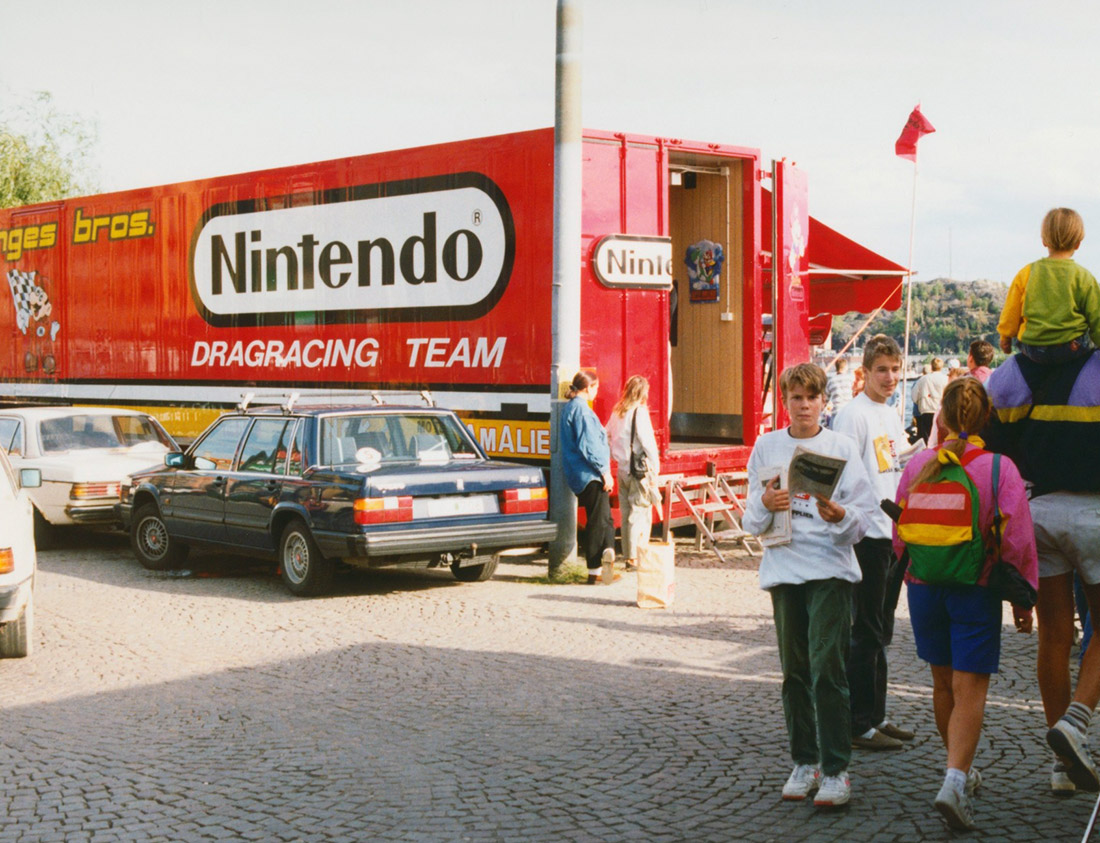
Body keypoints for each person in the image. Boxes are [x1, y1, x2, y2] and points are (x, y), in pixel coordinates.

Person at [893, 376, 1038, 830]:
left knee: (943, 685)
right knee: (969, 688)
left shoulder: (919, 465)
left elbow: (900, 533)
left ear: (940, 417)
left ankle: (959, 770)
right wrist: (1023, 600)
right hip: (976, 586)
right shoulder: (998, 469)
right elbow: (1017, 540)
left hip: (923, 586)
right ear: (985, 419)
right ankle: (955, 781)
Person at [742, 363, 878, 808]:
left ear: (824, 401)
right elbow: (750, 519)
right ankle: (805, 761)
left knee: (827, 669)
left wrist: (840, 516)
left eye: (811, 397)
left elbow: (864, 515)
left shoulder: (841, 446)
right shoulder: (767, 446)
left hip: (829, 569)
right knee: (795, 672)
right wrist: (765, 502)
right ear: (785, 401)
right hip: (784, 569)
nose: (804, 405)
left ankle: (836, 768)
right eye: (796, 397)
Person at [985, 349, 1100, 795]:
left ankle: (1062, 765)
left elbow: (995, 447)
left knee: (1053, 634)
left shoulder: (1011, 372)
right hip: (1093, 512)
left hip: (1038, 510)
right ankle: (1076, 721)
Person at [832, 335, 918, 751]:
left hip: (893, 533)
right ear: (864, 371)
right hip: (867, 534)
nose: (890, 377)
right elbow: (846, 476)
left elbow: (891, 465)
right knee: (865, 630)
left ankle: (877, 715)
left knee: (881, 630)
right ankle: (857, 722)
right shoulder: (853, 416)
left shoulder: (889, 412)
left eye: (895, 370)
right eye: (882, 370)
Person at [997, 207, 1100, 364]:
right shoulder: (1084, 276)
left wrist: (1005, 337)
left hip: (1033, 349)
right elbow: (1097, 318)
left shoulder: (1026, 273)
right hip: (1071, 348)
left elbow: (1011, 312)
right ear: (1078, 243)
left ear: (1044, 241)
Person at [559, 370, 617, 585]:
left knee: (605, 518)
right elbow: (590, 446)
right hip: (590, 474)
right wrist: (604, 471)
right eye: (596, 388)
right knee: (598, 521)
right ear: (587, 388)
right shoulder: (582, 410)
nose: (597, 392)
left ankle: (608, 552)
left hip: (579, 472)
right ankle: (594, 570)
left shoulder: (569, 408)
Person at [605, 375, 661, 571]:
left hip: (622, 469)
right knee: (639, 513)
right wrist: (655, 469)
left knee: (626, 513)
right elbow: (648, 444)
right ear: (643, 392)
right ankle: (634, 558)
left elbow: (606, 434)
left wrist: (615, 453)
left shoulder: (618, 411)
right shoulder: (640, 412)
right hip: (638, 472)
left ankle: (629, 555)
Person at [912, 357, 948, 443]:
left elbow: (914, 396)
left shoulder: (923, 379)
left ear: (931, 366)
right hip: (941, 412)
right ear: (942, 367)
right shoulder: (946, 379)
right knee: (940, 439)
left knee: (926, 439)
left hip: (926, 411)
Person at [824, 357, 855, 425]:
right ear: (845, 367)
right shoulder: (850, 379)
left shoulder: (831, 381)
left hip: (836, 412)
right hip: (849, 412)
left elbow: (826, 398)